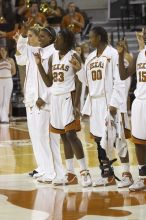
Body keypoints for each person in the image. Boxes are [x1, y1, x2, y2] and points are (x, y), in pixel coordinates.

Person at [34, 29, 92, 187]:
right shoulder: (53, 57)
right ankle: (71, 174)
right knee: (63, 137)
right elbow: (48, 83)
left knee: (72, 136)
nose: (56, 42)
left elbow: (80, 81)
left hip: (68, 97)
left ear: (66, 41)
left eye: (58, 39)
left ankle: (85, 172)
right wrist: (39, 64)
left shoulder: (73, 55)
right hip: (56, 99)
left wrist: (77, 104)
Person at [76, 26, 133, 187]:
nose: (89, 40)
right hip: (96, 103)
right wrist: (79, 69)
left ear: (99, 38)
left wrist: (114, 103)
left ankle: (127, 173)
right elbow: (86, 82)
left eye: (92, 37)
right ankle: (107, 174)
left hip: (110, 102)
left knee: (118, 139)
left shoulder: (113, 54)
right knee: (100, 140)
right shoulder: (90, 57)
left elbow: (120, 80)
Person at [16, 22, 65, 184]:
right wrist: (23, 35)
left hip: (45, 102)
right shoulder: (37, 51)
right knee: (38, 137)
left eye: (37, 36)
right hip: (32, 100)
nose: (36, 39)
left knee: (47, 138)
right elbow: (21, 52)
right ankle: (45, 168)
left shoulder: (52, 53)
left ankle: (53, 172)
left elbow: (53, 80)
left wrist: (44, 97)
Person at [118, 28, 146, 191]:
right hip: (140, 102)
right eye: (144, 33)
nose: (144, 35)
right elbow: (123, 75)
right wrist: (121, 55)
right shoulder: (139, 55)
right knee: (139, 142)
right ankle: (143, 178)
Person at [0, 46, 16, 123]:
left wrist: (8, 76)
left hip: (8, 81)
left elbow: (14, 71)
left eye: (3, 50)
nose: (2, 52)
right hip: (0, 81)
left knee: (7, 99)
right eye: (0, 51)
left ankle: (5, 117)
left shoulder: (11, 60)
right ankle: (1, 116)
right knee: (1, 99)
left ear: (6, 51)